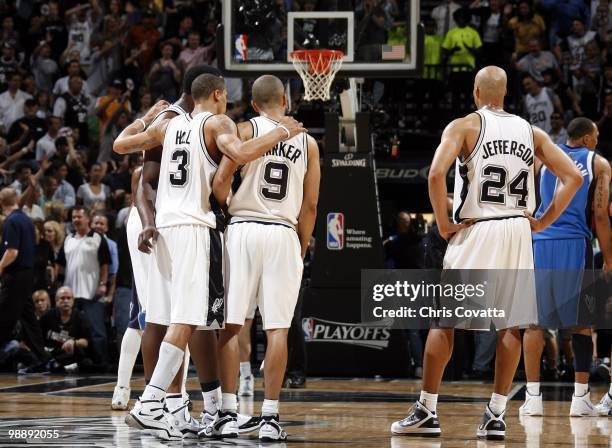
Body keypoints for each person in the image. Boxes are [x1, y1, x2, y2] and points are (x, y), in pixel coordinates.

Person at [390, 66, 582, 440]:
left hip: (479, 227)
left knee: (446, 322)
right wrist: (542, 221)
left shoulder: (464, 126)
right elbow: (573, 176)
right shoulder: (532, 132)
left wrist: (444, 224)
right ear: (505, 93)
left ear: (476, 91)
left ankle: (427, 409)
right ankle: (496, 413)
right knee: (511, 325)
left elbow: (434, 175)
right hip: (517, 229)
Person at [115, 73, 306, 441]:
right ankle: (151, 403)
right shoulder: (217, 122)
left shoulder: (166, 125)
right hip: (193, 228)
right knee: (187, 319)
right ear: (217, 94)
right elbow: (240, 153)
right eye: (225, 98)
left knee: (168, 317)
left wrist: (145, 116)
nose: (226, 106)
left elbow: (122, 145)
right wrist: (283, 132)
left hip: (166, 229)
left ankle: (164, 404)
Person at [212, 74, 320, 442]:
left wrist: (227, 208)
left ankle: (227, 412)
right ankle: (270, 417)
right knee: (277, 330)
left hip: (242, 228)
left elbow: (221, 182)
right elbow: (310, 205)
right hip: (283, 233)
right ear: (286, 102)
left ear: (254, 105)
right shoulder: (307, 142)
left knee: (230, 325)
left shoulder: (243, 130)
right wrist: (300, 247)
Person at [520, 118, 611, 417]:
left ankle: (533, 398)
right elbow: (600, 216)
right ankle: (580, 398)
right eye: (595, 136)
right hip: (576, 243)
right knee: (582, 322)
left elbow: (528, 200)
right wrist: (609, 259)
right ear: (586, 139)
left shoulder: (543, 156)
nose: (597, 140)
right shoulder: (599, 163)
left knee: (534, 322)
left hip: (541, 242)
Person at [56, 205, 111, 366]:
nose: (76, 220)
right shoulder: (68, 239)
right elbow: (60, 265)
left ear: (88, 218)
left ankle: (103, 364)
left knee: (97, 331)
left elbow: (105, 265)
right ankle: (78, 363)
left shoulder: (98, 238)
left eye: (79, 216)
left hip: (91, 293)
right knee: (73, 333)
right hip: (71, 294)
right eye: (73, 217)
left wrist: (102, 284)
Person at [0, 188, 47, 364]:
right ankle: (43, 358)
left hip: (16, 275)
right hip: (28, 274)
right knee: (28, 319)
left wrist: (0, 266)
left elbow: (12, 252)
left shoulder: (11, 221)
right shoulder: (26, 219)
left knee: (4, 316)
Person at [39, 285, 92, 372]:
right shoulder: (48, 316)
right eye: (62, 298)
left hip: (69, 353)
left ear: (73, 301)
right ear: (56, 301)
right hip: (51, 353)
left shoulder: (80, 317)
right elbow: (37, 336)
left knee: (85, 360)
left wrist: (74, 342)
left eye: (68, 298)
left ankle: (60, 367)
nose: (66, 301)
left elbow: (86, 342)